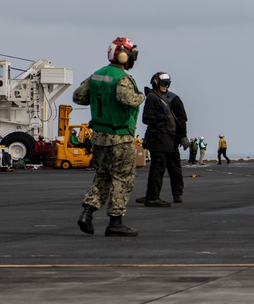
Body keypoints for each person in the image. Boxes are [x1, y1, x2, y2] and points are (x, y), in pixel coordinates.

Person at [74, 37, 144, 237]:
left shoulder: (96, 75)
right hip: (120, 136)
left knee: (103, 175)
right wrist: (141, 96)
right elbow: (127, 99)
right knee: (123, 178)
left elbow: (79, 96)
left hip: (99, 137)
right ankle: (115, 222)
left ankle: (88, 212)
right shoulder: (122, 78)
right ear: (122, 55)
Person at [136, 72, 188, 207]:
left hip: (170, 139)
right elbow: (148, 119)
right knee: (159, 167)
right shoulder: (154, 98)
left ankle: (174, 194)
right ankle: (153, 196)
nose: (166, 86)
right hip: (162, 138)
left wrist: (182, 136)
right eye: (164, 83)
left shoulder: (172, 98)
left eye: (168, 84)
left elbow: (181, 119)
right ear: (156, 83)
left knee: (170, 167)